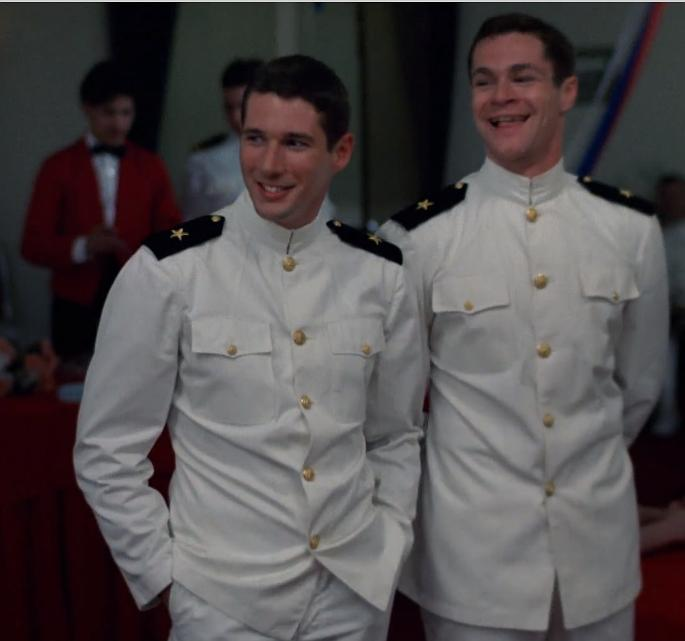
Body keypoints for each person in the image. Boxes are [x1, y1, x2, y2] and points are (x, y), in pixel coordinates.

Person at [74, 54, 426, 641]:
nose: (268, 164)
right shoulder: (169, 270)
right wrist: (164, 575)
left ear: (341, 151)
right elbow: (106, 447)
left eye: (295, 143)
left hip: (352, 595)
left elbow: (395, 434)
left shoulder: (381, 274)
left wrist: (391, 535)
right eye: (255, 137)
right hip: (221, 601)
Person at [382, 13, 668, 641]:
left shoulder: (629, 229)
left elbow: (640, 384)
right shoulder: (419, 236)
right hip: (472, 562)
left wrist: (579, 457)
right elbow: (394, 410)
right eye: (484, 81)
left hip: (597, 553)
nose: (501, 96)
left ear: (566, 91)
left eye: (522, 77)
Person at [21, 60, 181, 362]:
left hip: (138, 298)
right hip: (74, 303)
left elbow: (171, 231)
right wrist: (84, 245)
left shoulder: (151, 167)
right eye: (109, 113)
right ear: (88, 109)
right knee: (72, 382)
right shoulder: (57, 167)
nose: (119, 124)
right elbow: (32, 245)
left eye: (126, 113)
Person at [182, 58, 262, 220]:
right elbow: (194, 218)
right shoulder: (205, 160)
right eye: (229, 107)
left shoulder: (293, 151)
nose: (235, 116)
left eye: (242, 106)